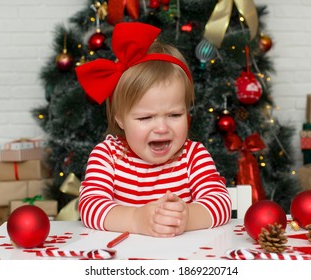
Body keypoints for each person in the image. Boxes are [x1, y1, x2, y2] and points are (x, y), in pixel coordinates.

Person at [75, 22, 231, 238]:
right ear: (120, 118)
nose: (161, 128)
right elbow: (89, 207)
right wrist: (136, 220)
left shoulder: (193, 156)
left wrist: (187, 216)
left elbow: (221, 202)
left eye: (175, 115)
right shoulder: (108, 156)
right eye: (145, 117)